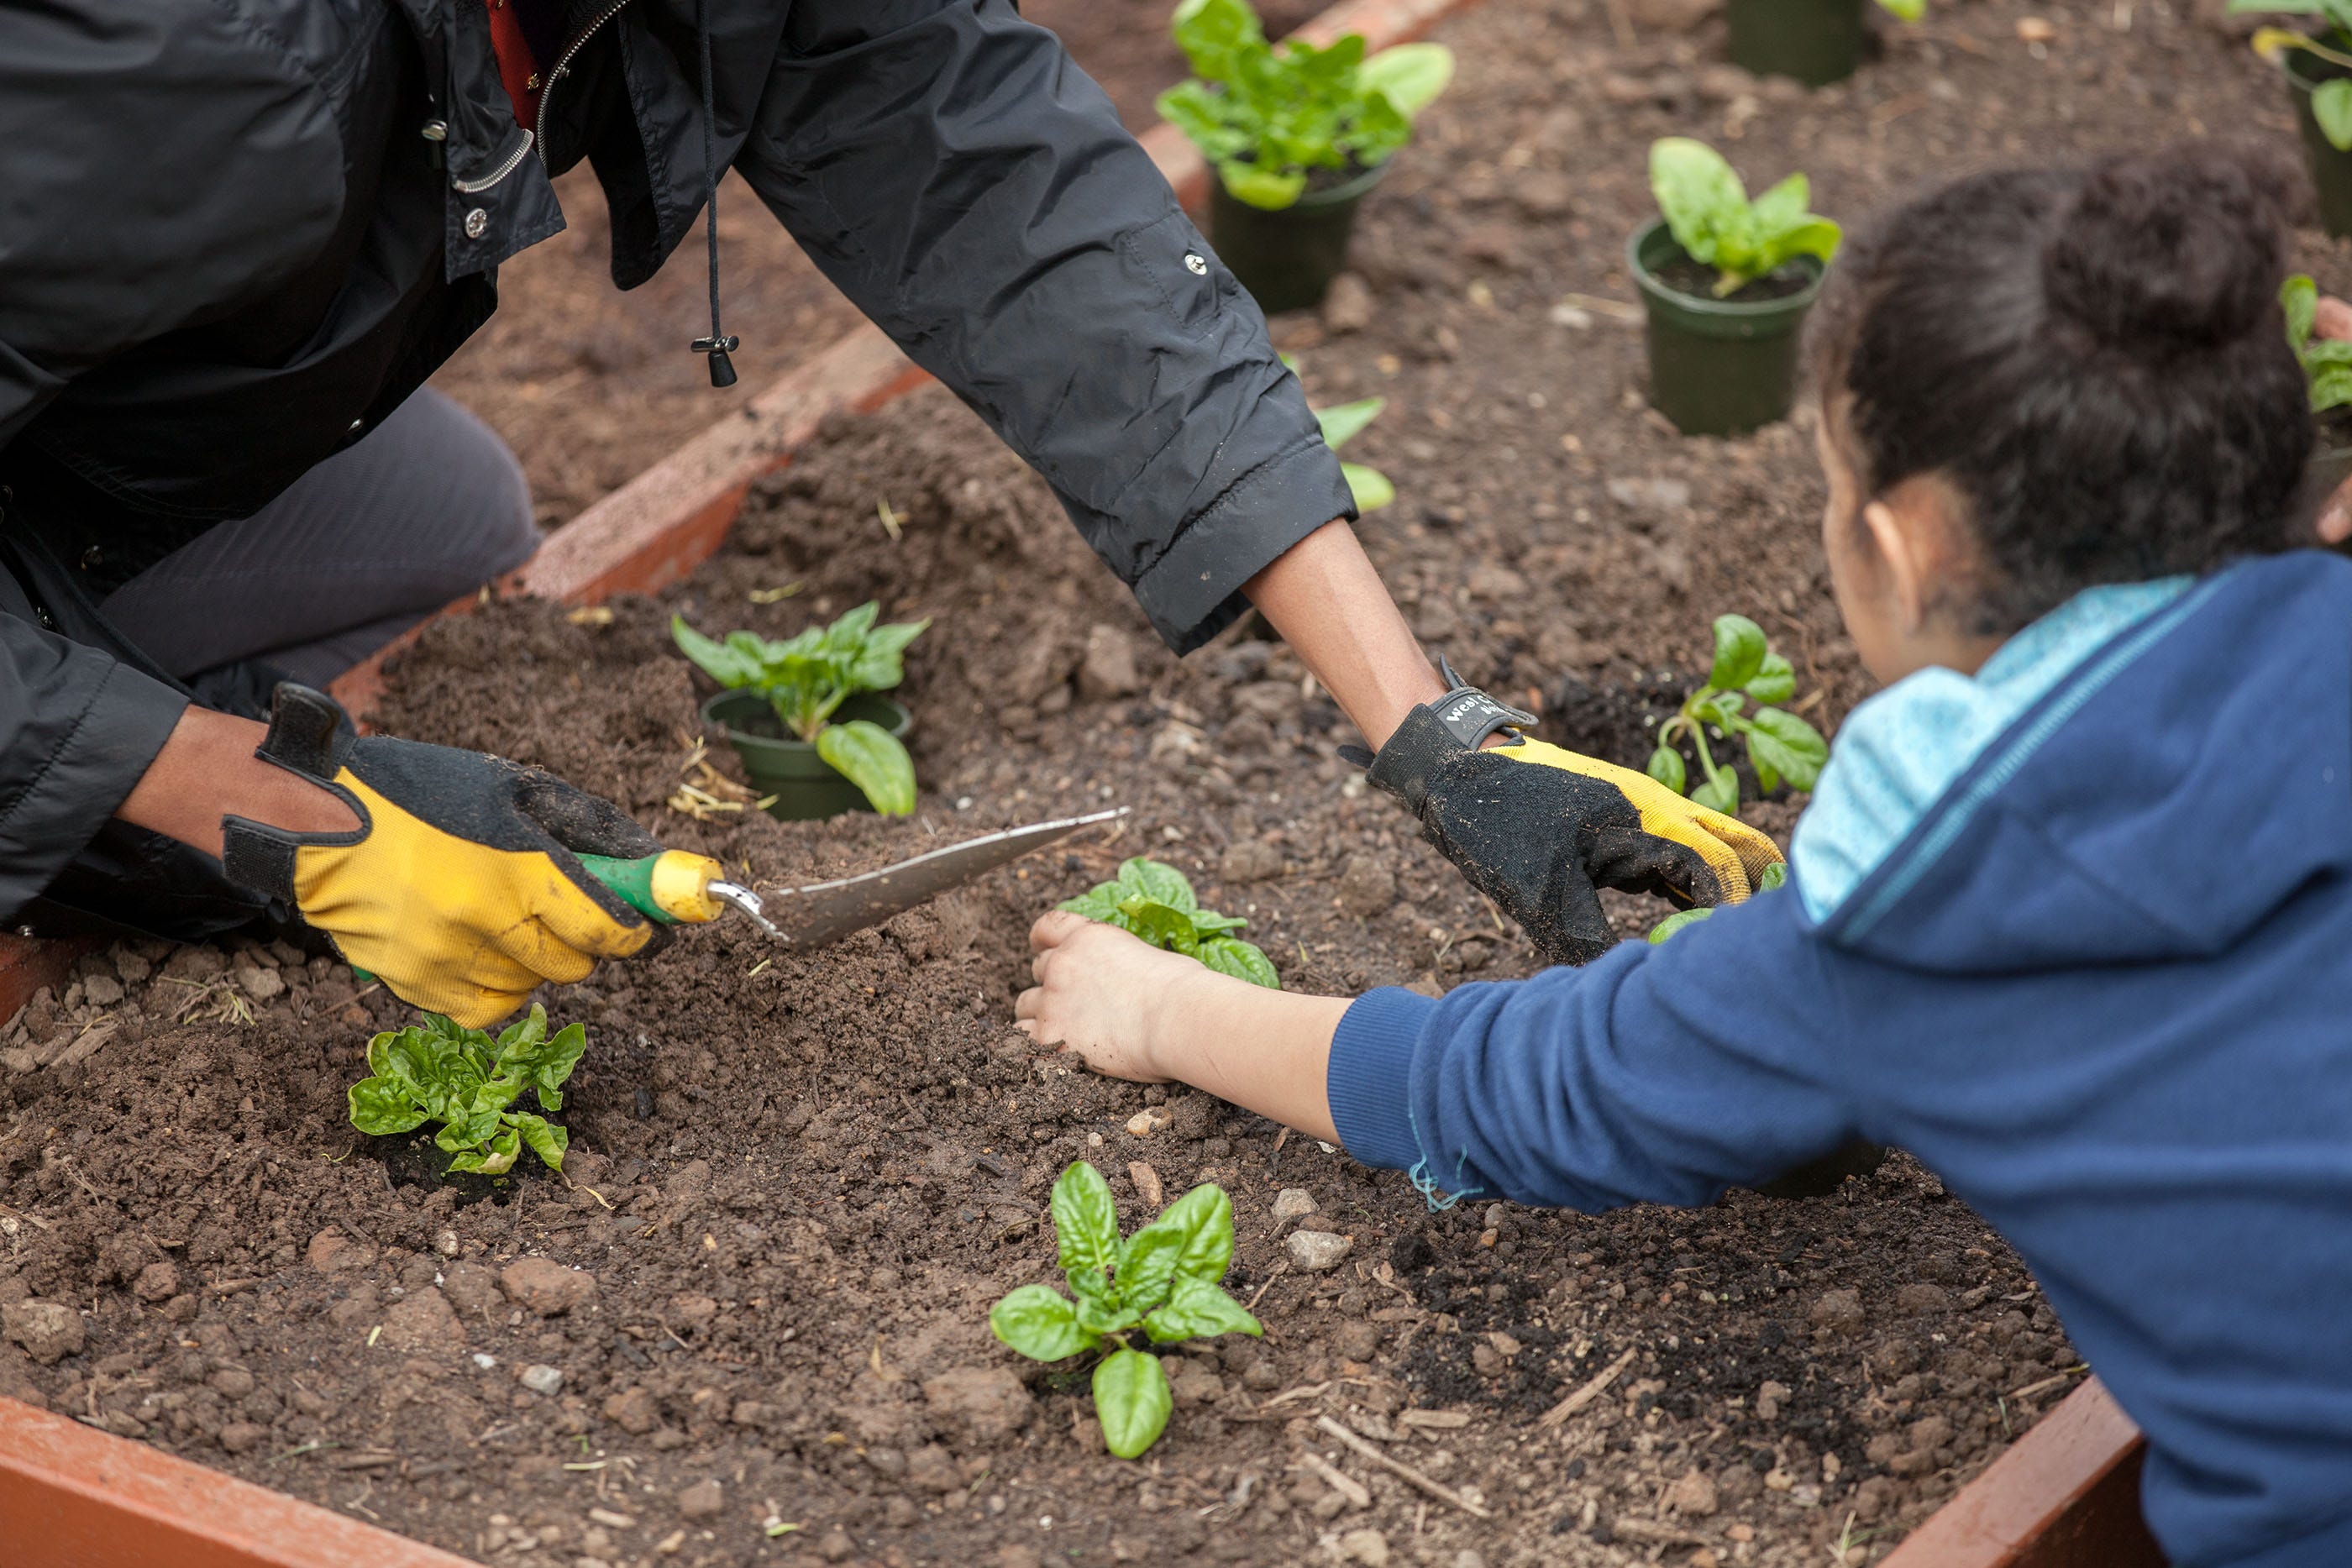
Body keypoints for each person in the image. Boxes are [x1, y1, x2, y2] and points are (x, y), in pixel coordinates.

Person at [1015, 144, 2352, 1567]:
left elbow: (1512, 1087)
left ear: (1895, 551)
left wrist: (1162, 1007)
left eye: (1830, 490)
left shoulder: (1933, 917)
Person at [0, 0, 1763, 1028]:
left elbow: (983, 167)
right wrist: (263, 810)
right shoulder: (174, 69)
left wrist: (1431, 726)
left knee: (443, 525)